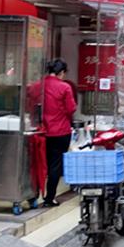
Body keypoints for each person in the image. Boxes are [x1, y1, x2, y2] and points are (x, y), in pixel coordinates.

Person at [41, 59, 77, 207]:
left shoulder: (40, 85)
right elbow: (71, 109)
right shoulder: (65, 87)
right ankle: (49, 198)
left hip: (41, 131)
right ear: (61, 73)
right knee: (55, 165)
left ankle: (34, 195)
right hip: (60, 131)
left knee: (41, 163)